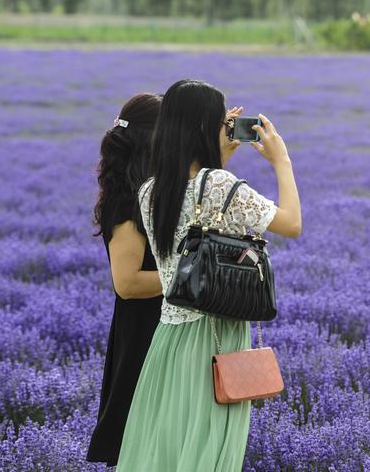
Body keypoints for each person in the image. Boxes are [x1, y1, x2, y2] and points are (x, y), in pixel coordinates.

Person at [116, 79, 302, 472]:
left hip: (168, 341)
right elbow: (291, 223)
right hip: (216, 338)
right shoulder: (219, 184)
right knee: (210, 453)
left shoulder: (150, 192)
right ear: (204, 129)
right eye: (223, 123)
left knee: (168, 449)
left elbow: (197, 208)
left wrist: (215, 159)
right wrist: (281, 161)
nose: (228, 130)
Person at [86, 93, 165, 469]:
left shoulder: (152, 193)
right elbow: (127, 283)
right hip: (145, 333)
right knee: (145, 440)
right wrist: (188, 276)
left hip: (165, 327)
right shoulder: (128, 203)